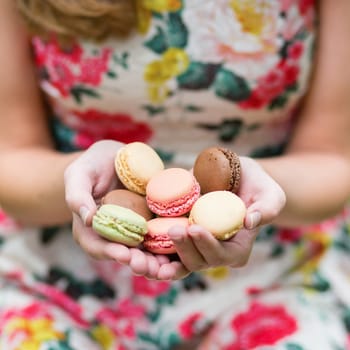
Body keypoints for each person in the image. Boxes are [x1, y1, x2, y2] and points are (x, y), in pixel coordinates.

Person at [0, 0, 349, 349]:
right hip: (59, 275)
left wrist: (254, 191)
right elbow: (12, 162)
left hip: (274, 269)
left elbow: (331, 161)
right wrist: (78, 186)